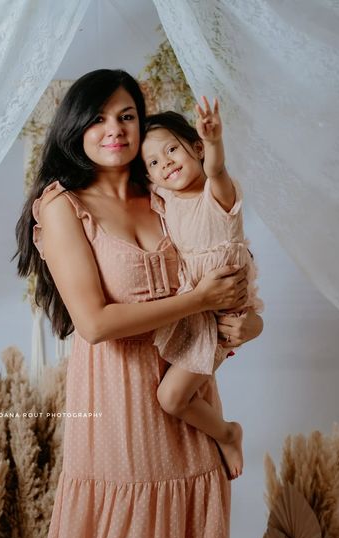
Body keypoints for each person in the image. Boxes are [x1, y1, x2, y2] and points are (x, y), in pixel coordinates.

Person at [14, 69, 263, 538]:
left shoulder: (163, 189)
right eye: (99, 118)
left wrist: (250, 323)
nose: (116, 129)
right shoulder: (63, 205)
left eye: (127, 116)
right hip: (118, 411)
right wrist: (198, 301)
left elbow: (227, 255)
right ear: (75, 126)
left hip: (191, 403)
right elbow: (95, 323)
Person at [141, 101, 264, 481]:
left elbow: (217, 168)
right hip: (194, 306)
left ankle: (228, 433)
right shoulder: (168, 199)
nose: (166, 164)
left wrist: (214, 140)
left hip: (224, 311)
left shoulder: (218, 194)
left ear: (194, 147)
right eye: (154, 163)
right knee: (174, 395)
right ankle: (215, 436)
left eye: (172, 149)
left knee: (171, 398)